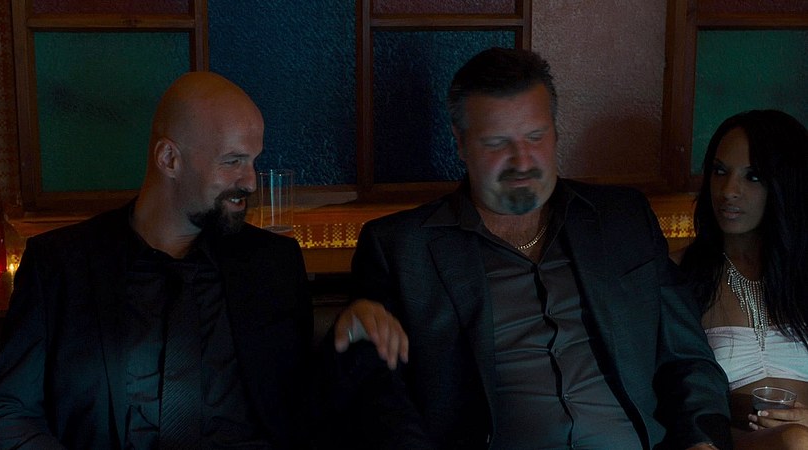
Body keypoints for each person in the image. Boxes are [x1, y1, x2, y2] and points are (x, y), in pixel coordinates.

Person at [320, 47, 732, 450]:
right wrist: (355, 326)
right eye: (497, 143)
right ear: (460, 143)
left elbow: (688, 357)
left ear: (555, 131)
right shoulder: (402, 248)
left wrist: (701, 440)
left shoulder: (622, 219)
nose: (522, 161)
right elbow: (375, 396)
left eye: (535, 137)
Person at [0, 72, 324, 449]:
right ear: (169, 159)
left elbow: (310, 403)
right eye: (233, 161)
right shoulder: (60, 264)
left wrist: (356, 328)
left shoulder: (273, 264)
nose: (251, 182)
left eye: (253, 160)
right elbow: (9, 408)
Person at [673, 110, 808, 449]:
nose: (728, 191)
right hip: (727, 442)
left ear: (785, 184)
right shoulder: (677, 274)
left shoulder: (802, 275)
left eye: (753, 176)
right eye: (720, 171)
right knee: (794, 440)